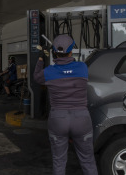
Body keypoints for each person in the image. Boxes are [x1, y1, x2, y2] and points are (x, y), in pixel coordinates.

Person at [33, 34, 98, 175]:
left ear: (54, 52)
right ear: (70, 51)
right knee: (88, 160)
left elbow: (36, 76)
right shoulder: (82, 68)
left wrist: (40, 57)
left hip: (58, 119)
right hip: (81, 118)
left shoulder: (49, 71)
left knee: (59, 161)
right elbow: (71, 66)